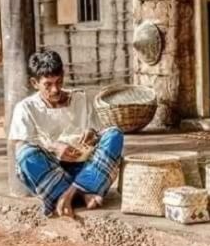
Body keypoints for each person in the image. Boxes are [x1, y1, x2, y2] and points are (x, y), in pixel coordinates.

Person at [8, 50, 124, 218]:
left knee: (114, 134)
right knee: (25, 155)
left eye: (59, 81)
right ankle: (84, 192)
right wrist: (54, 147)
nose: (55, 89)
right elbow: (19, 143)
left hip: (86, 167)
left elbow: (96, 131)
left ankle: (67, 194)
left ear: (63, 76)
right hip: (52, 170)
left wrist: (91, 133)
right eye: (48, 84)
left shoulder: (80, 98)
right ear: (35, 83)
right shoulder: (26, 108)